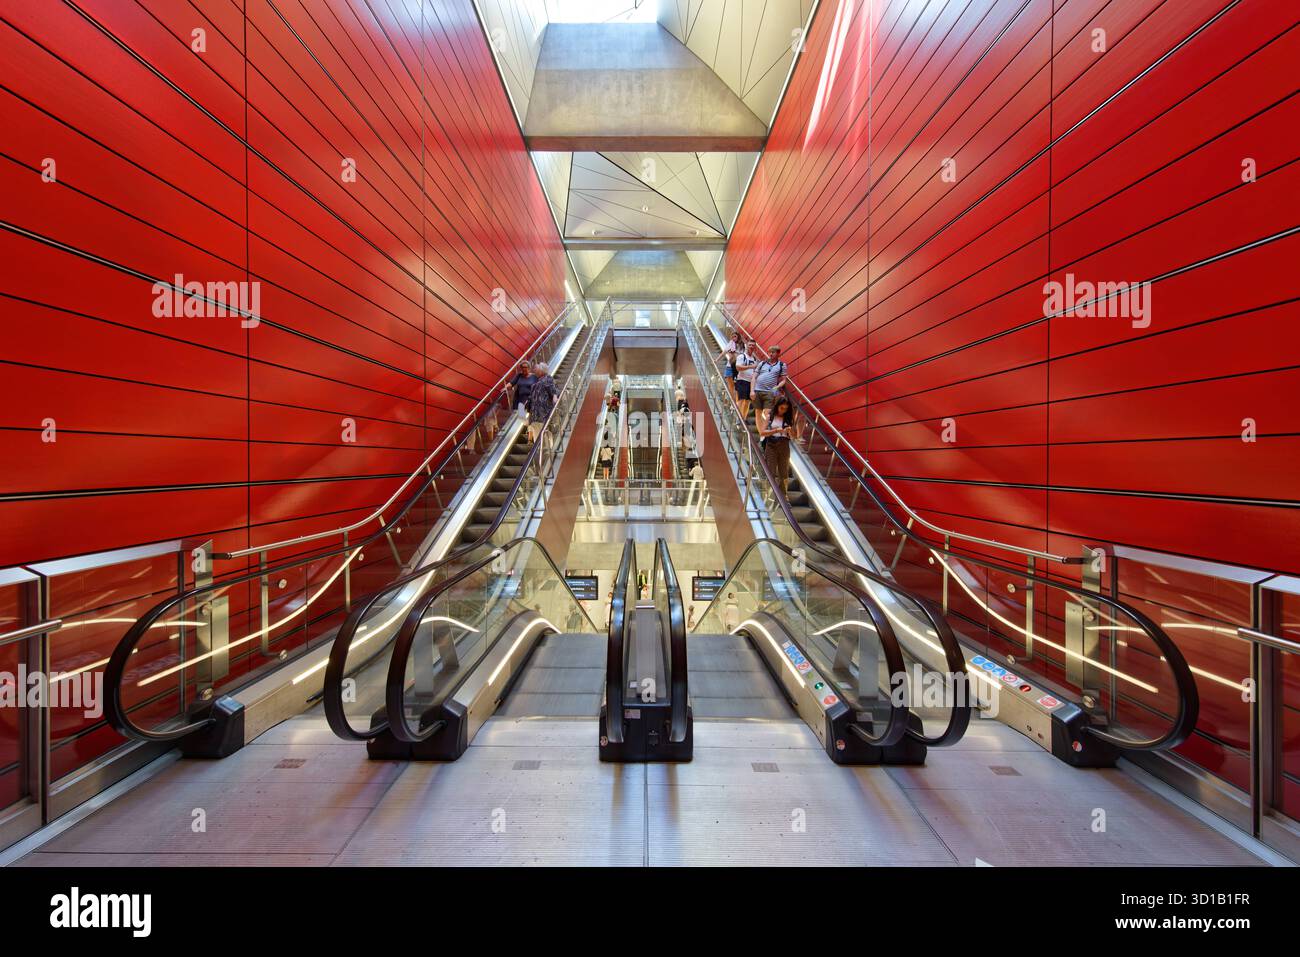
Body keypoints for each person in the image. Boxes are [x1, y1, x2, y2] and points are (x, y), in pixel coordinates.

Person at [759, 395, 796, 494]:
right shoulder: (770, 416)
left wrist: (790, 431)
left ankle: (784, 497)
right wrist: (775, 430)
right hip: (771, 445)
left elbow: (794, 436)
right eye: (781, 408)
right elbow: (762, 432)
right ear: (777, 406)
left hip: (784, 445)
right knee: (770, 471)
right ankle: (768, 495)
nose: (783, 410)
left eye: (786, 409)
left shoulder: (788, 419)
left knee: (783, 472)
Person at [751, 346, 787, 418]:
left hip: (770, 392)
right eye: (769, 352)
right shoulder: (762, 363)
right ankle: (761, 429)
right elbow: (754, 377)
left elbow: (784, 380)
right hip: (757, 390)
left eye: (773, 352)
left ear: (778, 354)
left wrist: (777, 387)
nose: (770, 354)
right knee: (758, 413)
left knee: (766, 413)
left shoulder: (782, 365)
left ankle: (763, 428)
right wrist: (752, 391)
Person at [526, 361, 557, 443]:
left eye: (537, 368)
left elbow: (553, 392)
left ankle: (546, 452)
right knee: (537, 436)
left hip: (543, 413)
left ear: (542, 370)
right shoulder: (537, 383)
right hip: (535, 415)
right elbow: (531, 398)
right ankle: (541, 451)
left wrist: (555, 404)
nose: (535, 369)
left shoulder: (547, 379)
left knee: (543, 435)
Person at [735, 341, 757, 422]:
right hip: (742, 380)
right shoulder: (742, 356)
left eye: (753, 345)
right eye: (750, 345)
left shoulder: (754, 359)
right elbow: (738, 367)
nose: (751, 346)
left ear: (755, 347)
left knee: (747, 402)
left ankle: (743, 419)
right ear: (746, 346)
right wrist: (751, 366)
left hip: (750, 382)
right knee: (741, 400)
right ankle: (738, 418)